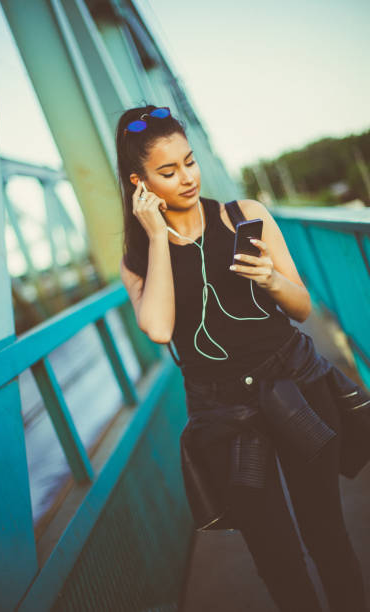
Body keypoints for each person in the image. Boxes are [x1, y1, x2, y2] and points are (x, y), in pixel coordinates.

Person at [116, 104, 368, 612]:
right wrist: (158, 238)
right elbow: (160, 327)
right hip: (224, 415)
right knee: (276, 557)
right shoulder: (138, 260)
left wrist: (271, 279)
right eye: (168, 172)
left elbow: (301, 308)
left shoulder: (245, 215)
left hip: (295, 385)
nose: (187, 177)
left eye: (189, 161)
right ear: (139, 183)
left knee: (326, 535)